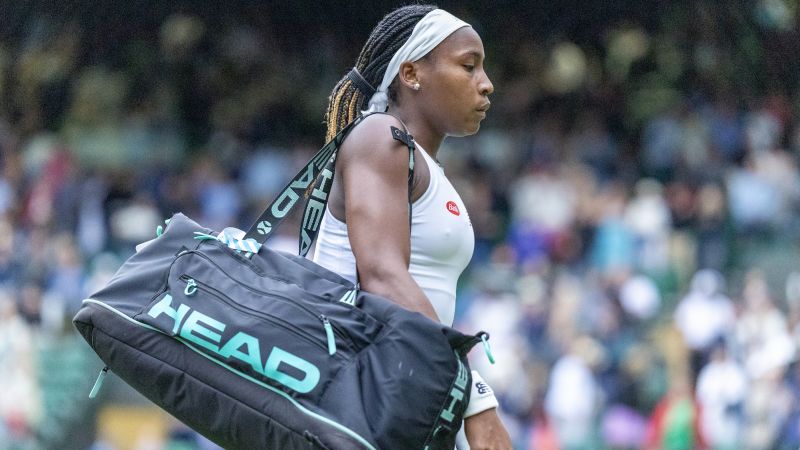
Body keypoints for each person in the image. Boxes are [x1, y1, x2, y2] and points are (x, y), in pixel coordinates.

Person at [312, 5, 512, 449]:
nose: (486, 83)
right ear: (411, 73)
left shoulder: (418, 161)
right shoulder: (380, 138)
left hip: (391, 398)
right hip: (353, 399)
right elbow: (382, 278)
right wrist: (474, 396)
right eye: (468, 65)